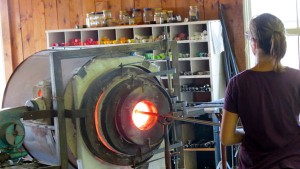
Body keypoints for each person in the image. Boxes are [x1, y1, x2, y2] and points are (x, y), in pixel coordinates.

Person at [220, 13, 300, 169]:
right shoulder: (297, 78)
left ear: (254, 43)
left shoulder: (237, 83)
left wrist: (249, 136)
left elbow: (227, 137)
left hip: (254, 164)